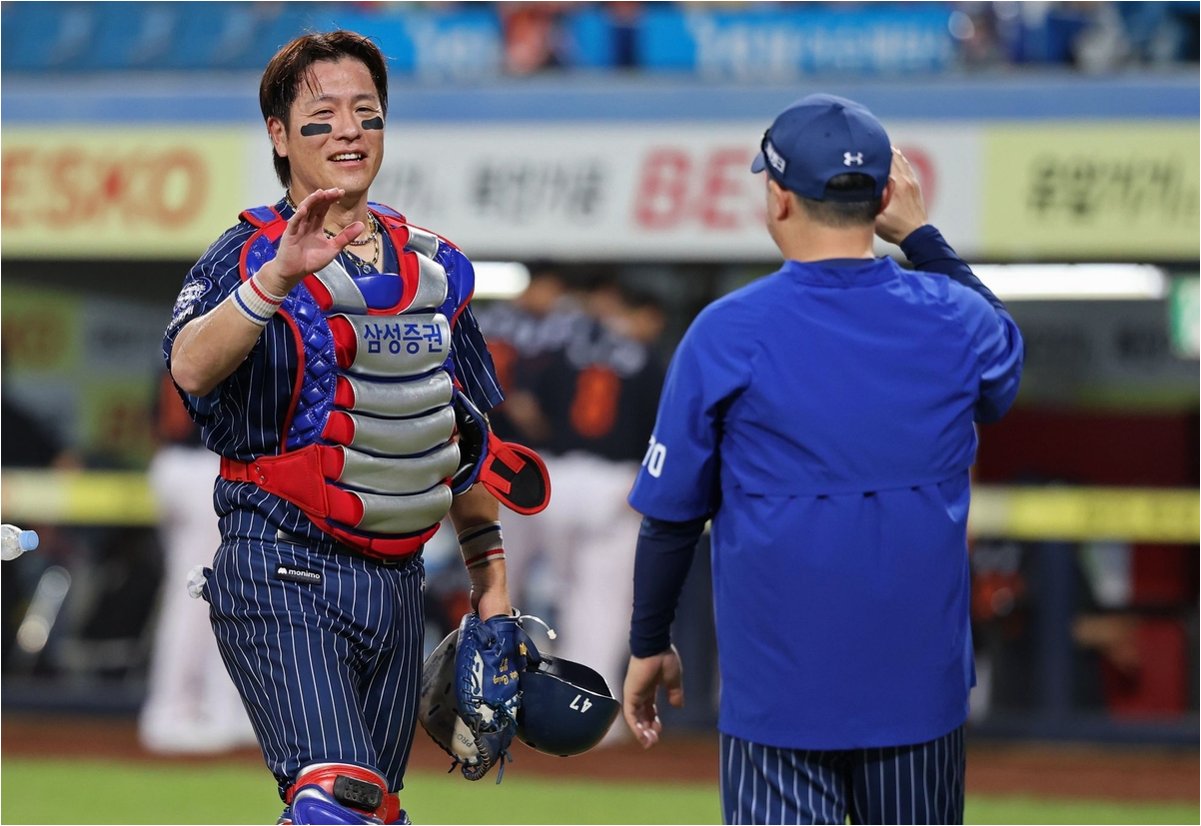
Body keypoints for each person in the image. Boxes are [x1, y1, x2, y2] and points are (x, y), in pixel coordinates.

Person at [163, 30, 542, 825]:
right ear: (279, 134)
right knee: (340, 801)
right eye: (324, 113)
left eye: (366, 112)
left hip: (398, 582)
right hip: (280, 565)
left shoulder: (433, 266)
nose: (349, 130)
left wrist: (493, 589)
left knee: (374, 811)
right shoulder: (245, 254)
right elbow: (190, 367)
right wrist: (277, 276)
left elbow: (462, 437)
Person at [621, 94, 1024, 825]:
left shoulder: (726, 332)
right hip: (918, 693)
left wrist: (649, 642)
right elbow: (1003, 366)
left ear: (778, 198)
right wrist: (923, 237)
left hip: (778, 695)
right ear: (883, 198)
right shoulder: (952, 315)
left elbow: (671, 519)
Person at [138, 371, 256, 755]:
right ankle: (173, 710)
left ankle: (220, 707)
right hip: (198, 465)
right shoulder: (206, 339)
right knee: (195, 596)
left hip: (196, 464)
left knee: (231, 592)